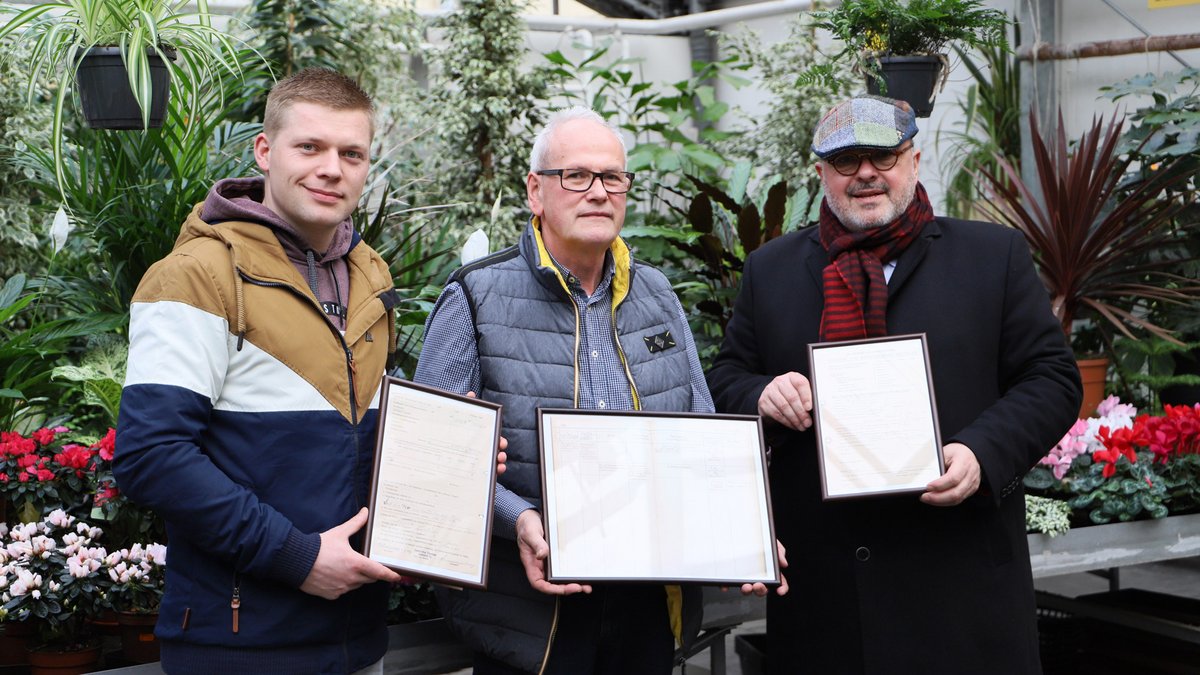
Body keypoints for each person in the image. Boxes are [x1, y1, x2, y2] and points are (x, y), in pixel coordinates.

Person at [115, 68, 489, 675]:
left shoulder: (372, 275)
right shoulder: (196, 277)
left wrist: (449, 466)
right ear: (265, 151)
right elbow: (150, 456)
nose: (331, 168)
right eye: (309, 146)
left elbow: (356, 436)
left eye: (352, 153)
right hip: (241, 640)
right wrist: (297, 558)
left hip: (357, 636)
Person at [706, 95, 1082, 674]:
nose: (865, 174)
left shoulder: (990, 257)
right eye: (846, 160)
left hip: (958, 583)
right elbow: (726, 378)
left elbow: (1053, 378)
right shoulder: (771, 270)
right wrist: (761, 394)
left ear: (913, 160)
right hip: (824, 595)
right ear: (820, 173)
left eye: (882, 155)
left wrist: (982, 453)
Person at [413, 107, 783, 675]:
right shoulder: (476, 296)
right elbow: (435, 459)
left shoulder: (656, 293)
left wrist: (742, 527)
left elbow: (700, 433)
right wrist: (519, 519)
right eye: (576, 176)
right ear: (536, 191)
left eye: (612, 177)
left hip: (646, 601)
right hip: (530, 612)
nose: (598, 192)